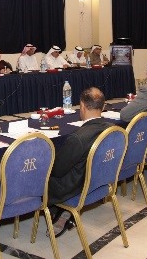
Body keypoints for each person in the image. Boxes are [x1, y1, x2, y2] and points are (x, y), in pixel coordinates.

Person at [48, 87, 113, 235]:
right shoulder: (113, 129)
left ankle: (57, 210)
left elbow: (57, 171)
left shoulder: (78, 138)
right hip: (99, 181)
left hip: (75, 187)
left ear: (82, 106)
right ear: (103, 106)